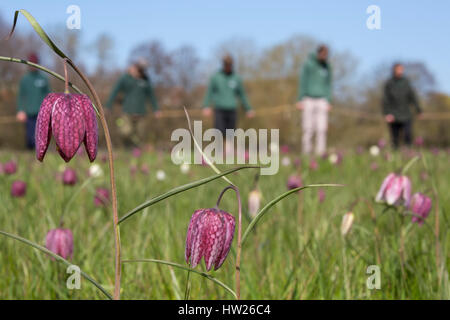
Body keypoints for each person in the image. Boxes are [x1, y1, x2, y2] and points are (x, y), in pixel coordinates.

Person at [202, 54, 255, 152]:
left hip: (232, 109)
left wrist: (248, 109)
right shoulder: (216, 77)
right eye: (226, 64)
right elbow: (209, 92)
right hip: (219, 109)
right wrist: (206, 106)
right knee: (219, 131)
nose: (228, 66)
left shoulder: (236, 78)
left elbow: (242, 95)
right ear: (223, 64)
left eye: (229, 64)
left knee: (230, 132)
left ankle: (229, 152)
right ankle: (219, 152)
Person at [106, 60, 161, 147]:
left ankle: (136, 152)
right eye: (139, 69)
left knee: (141, 136)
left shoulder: (146, 80)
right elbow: (115, 91)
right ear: (135, 67)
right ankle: (127, 148)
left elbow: (151, 96)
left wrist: (156, 109)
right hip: (127, 112)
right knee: (125, 132)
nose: (141, 72)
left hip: (141, 113)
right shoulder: (125, 78)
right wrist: (108, 105)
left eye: (143, 70)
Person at [296, 45, 332, 156]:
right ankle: (306, 153)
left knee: (321, 129)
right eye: (324, 54)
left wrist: (328, 100)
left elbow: (329, 84)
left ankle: (321, 153)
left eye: (327, 55)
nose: (325, 57)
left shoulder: (327, 67)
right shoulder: (308, 65)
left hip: (322, 100)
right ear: (318, 53)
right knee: (308, 128)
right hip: (308, 99)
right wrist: (300, 99)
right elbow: (303, 81)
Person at [382, 63, 422, 149]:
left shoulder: (406, 82)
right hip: (393, 114)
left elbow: (412, 96)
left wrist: (418, 110)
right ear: (394, 70)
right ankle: (395, 153)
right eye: (398, 69)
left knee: (408, 134)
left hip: (406, 114)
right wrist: (387, 113)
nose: (400, 71)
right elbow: (385, 100)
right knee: (395, 137)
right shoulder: (389, 83)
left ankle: (408, 151)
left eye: (401, 69)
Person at [16, 52, 51, 149]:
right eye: (31, 63)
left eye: (34, 63)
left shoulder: (43, 78)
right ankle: (31, 157)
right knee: (30, 138)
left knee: (41, 137)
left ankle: (40, 157)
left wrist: (50, 110)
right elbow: (21, 96)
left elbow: (49, 96)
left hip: (42, 113)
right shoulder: (25, 79)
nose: (33, 66)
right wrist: (20, 110)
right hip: (29, 113)